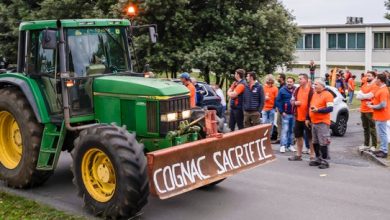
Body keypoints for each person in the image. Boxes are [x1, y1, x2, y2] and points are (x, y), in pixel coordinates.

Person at [306, 78, 334, 169]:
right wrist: (307, 118)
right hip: (314, 122)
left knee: (324, 142)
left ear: (322, 86)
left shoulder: (328, 95)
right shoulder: (314, 94)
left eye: (316, 84)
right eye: (314, 84)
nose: (314, 86)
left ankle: (325, 161)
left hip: (323, 122)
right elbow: (310, 107)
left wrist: (318, 110)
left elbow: (330, 109)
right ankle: (318, 159)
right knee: (315, 142)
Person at [289, 73, 315, 161]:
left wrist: (309, 116)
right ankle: (298, 155)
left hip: (308, 118)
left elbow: (314, 103)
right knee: (298, 136)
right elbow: (292, 100)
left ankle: (312, 155)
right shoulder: (297, 90)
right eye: (298, 79)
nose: (299, 80)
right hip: (298, 117)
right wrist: (294, 102)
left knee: (310, 137)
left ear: (306, 80)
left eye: (300, 79)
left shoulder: (311, 90)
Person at [367, 73, 390, 158]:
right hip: (379, 115)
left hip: (382, 115)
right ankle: (382, 149)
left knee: (382, 134)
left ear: (379, 80)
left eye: (376, 79)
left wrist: (372, 106)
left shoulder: (383, 90)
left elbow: (383, 105)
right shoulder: (381, 89)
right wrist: (372, 102)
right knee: (381, 133)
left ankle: (384, 151)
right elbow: (379, 100)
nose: (375, 80)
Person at [356, 71, 379, 151]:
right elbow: (358, 96)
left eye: (369, 76)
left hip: (370, 109)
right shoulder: (365, 84)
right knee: (365, 128)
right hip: (363, 109)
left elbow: (371, 95)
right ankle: (366, 144)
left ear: (374, 77)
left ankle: (374, 145)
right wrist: (365, 96)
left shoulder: (375, 85)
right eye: (367, 76)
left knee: (372, 128)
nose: (367, 77)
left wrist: (364, 96)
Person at [276, 77, 296, 153]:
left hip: (294, 114)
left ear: (293, 82)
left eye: (290, 82)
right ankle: (283, 146)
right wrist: (282, 111)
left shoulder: (296, 90)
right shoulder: (282, 90)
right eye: (288, 81)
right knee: (285, 130)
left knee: (291, 130)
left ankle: (290, 145)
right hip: (285, 114)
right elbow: (278, 101)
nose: (289, 83)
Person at [273, 73, 286, 144]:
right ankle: (280, 138)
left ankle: (282, 138)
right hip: (279, 107)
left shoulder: (284, 87)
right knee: (279, 123)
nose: (277, 79)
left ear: (282, 78)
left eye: (278, 77)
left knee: (282, 123)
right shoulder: (280, 86)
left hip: (283, 108)